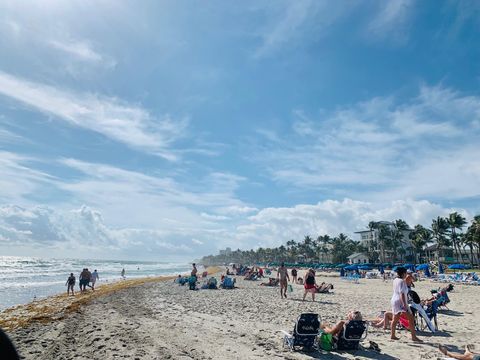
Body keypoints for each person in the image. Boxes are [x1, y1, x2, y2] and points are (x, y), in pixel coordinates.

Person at [390, 266, 421, 342]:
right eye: (406, 273)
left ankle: (392, 335)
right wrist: (404, 304)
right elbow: (402, 294)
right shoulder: (402, 281)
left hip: (394, 300)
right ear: (403, 273)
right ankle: (414, 337)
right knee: (411, 318)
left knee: (395, 319)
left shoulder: (395, 280)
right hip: (400, 301)